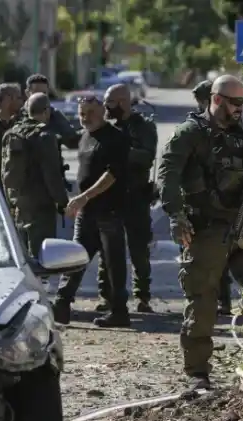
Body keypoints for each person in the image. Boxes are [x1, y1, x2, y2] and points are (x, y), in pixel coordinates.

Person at [156, 74, 243, 393]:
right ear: (216, 99)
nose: (241, 108)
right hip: (207, 228)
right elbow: (167, 174)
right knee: (203, 301)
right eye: (235, 102)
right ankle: (198, 373)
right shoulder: (191, 134)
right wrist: (176, 215)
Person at [52, 96, 130, 328]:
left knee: (113, 264)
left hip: (109, 211)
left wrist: (84, 196)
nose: (85, 118)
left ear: (103, 112)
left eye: (90, 112)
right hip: (87, 212)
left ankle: (119, 311)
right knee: (75, 258)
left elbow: (112, 174)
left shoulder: (115, 138)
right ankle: (61, 305)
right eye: (82, 113)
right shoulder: (85, 136)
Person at [94, 83, 158, 314]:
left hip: (135, 196)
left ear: (122, 102)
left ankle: (143, 296)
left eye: (109, 102)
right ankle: (108, 295)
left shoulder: (143, 127)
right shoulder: (105, 126)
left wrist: (122, 152)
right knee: (108, 250)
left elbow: (147, 156)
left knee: (139, 249)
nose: (105, 107)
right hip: (110, 197)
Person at [1, 93, 69, 270]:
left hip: (19, 204)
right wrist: (62, 202)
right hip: (41, 205)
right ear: (46, 111)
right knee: (43, 257)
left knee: (21, 257)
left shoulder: (12, 133)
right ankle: (42, 292)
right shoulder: (46, 136)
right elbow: (52, 175)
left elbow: (5, 171)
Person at [193, 79, 234, 315]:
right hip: (200, 199)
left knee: (220, 256)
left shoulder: (226, 127)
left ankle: (222, 301)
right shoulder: (196, 125)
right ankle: (205, 301)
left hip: (220, 199)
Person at [24, 74, 81, 150]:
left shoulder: (54, 115)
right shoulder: (18, 115)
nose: (40, 97)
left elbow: (72, 139)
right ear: (27, 93)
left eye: (44, 93)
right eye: (36, 93)